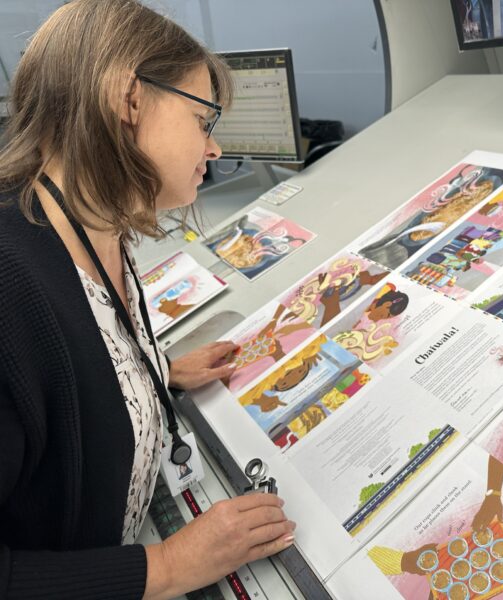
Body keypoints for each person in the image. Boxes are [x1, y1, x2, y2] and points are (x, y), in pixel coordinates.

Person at [0, 2, 295, 598]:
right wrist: (168, 567)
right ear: (129, 99)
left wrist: (151, 371)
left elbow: (82, 360)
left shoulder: (96, 219)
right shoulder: (9, 294)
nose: (213, 149)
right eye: (203, 119)